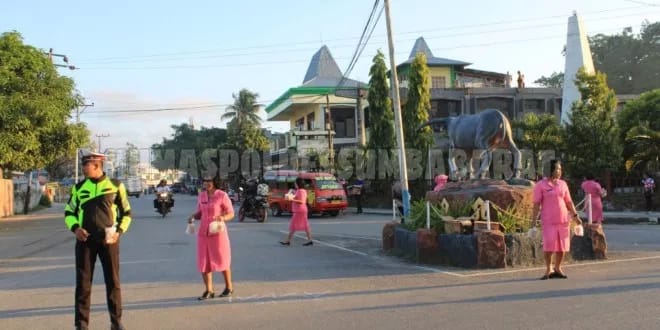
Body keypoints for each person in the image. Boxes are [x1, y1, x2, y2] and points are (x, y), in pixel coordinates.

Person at [64, 149, 132, 330]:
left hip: (109, 241)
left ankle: (116, 322)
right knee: (83, 285)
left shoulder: (116, 185)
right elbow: (69, 212)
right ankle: (81, 325)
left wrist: (119, 231)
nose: (83, 169)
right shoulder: (78, 188)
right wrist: (75, 228)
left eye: (86, 165)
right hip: (85, 242)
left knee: (113, 283)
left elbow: (127, 213)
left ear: (97, 166)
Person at [531, 159, 582, 280]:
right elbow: (536, 204)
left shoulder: (563, 184)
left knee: (562, 246)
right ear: (550, 170)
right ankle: (549, 268)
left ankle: (558, 268)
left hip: (563, 220)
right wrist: (533, 221)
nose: (559, 171)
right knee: (549, 245)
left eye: (560, 168)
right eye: (557, 169)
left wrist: (575, 216)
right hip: (548, 220)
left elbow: (568, 201)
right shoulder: (540, 185)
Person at [187, 175, 235, 300]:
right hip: (203, 234)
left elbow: (231, 213)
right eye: (205, 180)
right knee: (204, 262)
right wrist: (193, 216)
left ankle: (229, 287)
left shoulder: (222, 195)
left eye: (209, 180)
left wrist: (223, 218)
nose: (206, 183)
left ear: (215, 182)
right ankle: (209, 290)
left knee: (222, 260)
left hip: (217, 233)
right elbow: (200, 213)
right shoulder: (201, 195)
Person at [280, 177, 313, 246]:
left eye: (295, 183)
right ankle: (310, 240)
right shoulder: (300, 190)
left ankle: (287, 241)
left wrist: (292, 200)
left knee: (293, 226)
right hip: (300, 210)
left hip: (300, 211)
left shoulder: (301, 191)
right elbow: (298, 198)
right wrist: (291, 196)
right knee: (304, 226)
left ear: (298, 183)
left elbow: (302, 201)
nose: (295, 184)